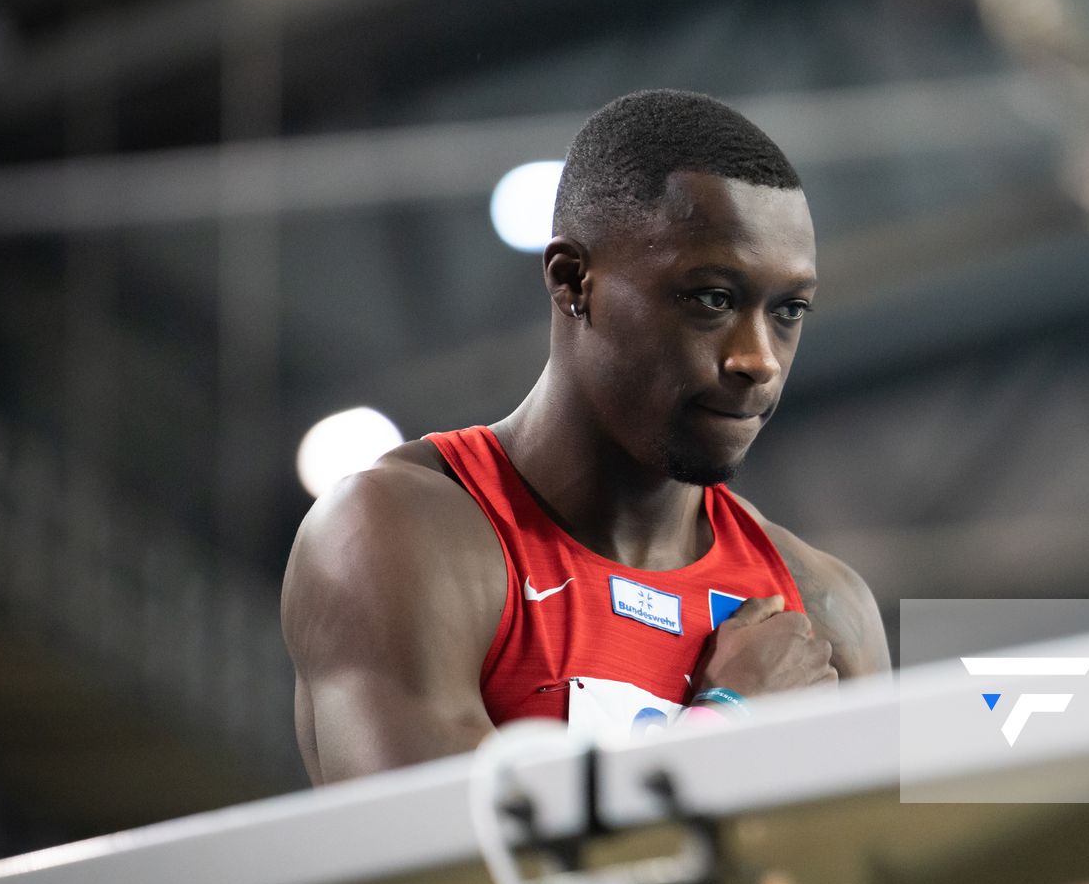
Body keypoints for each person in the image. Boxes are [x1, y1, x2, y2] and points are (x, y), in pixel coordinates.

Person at [281, 90, 890, 785]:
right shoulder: (399, 535)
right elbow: (443, 865)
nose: (759, 359)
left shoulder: (824, 609)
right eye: (713, 299)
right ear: (574, 281)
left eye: (788, 311)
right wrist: (725, 723)